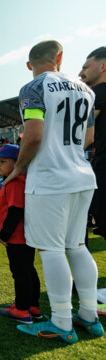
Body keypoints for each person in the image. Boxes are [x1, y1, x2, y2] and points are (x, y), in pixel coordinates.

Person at [8, 40, 102, 343]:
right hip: (82, 176)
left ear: (29, 65)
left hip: (50, 179)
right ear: (59, 58)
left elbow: (33, 135)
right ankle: (88, 314)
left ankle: (62, 320)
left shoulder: (33, 87)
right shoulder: (86, 89)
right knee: (77, 246)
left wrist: (19, 167)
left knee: (51, 250)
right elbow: (88, 137)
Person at [0, 145, 42, 324]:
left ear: (19, 163)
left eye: (3, 162)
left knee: (20, 273)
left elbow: (15, 211)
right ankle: (31, 306)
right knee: (28, 270)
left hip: (17, 237)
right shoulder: (18, 181)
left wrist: (4, 235)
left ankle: (22, 310)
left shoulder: (15, 182)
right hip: (24, 236)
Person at [79, 46, 106, 239]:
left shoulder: (96, 93)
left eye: (86, 67)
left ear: (103, 66)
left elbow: (84, 136)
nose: (81, 73)